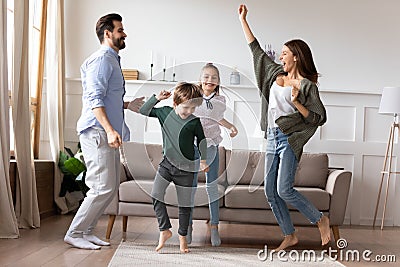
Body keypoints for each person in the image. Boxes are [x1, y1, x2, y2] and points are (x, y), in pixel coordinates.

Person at [238, 5, 330, 251]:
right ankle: (290, 235)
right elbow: (255, 50)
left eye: (285, 53)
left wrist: (297, 101)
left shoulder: (308, 86)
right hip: (271, 136)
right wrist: (243, 20)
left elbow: (318, 118)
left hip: (289, 139)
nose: (280, 57)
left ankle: (320, 219)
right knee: (270, 190)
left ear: (296, 56)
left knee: (284, 189)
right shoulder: (274, 74)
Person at [64, 13, 144, 250]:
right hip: (97, 131)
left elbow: (107, 99)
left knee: (108, 187)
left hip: (106, 132)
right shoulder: (101, 60)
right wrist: (109, 130)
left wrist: (128, 105)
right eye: (120, 30)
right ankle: (75, 232)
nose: (124, 33)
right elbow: (94, 99)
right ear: (107, 33)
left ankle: (87, 231)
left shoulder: (112, 60)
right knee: (101, 187)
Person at [139, 82, 209, 253]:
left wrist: (204, 160)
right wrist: (156, 98)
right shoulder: (164, 113)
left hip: (187, 168)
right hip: (167, 164)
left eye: (193, 108)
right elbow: (143, 110)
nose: (190, 112)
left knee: (185, 206)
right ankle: (164, 230)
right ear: (176, 103)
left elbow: (202, 141)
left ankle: (182, 239)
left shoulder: (194, 121)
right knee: (156, 194)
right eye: (187, 107)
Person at [186, 63, 238, 247]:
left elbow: (217, 118)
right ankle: (188, 227)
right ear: (200, 79)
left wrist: (231, 126)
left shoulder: (220, 100)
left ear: (218, 82)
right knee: (190, 187)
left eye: (214, 77)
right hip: (192, 147)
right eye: (206, 77)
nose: (210, 80)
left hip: (211, 146)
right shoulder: (192, 96)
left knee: (211, 187)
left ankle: (214, 226)